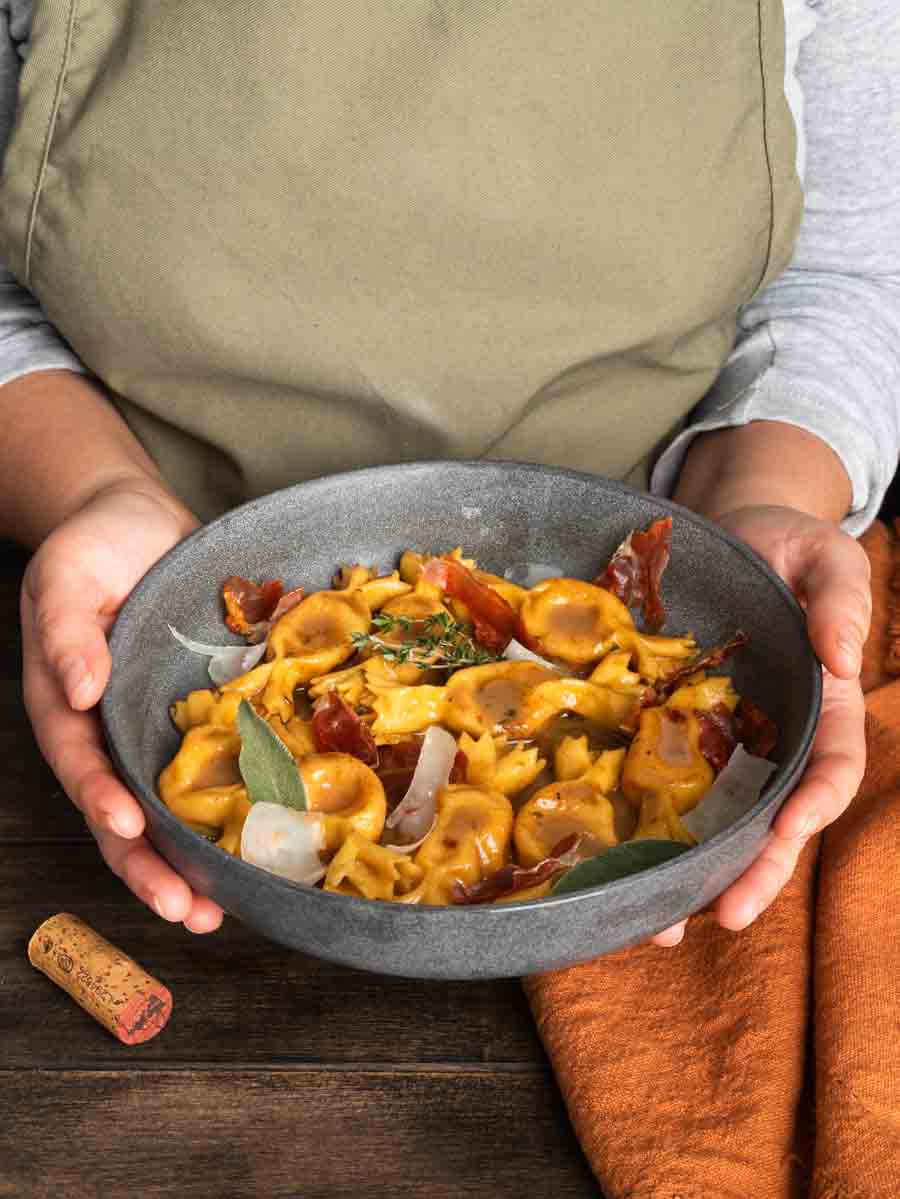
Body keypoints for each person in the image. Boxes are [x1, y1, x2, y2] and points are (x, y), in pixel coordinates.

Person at [0, 0, 895, 941]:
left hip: (641, 556)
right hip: (153, 569)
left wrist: (759, 502)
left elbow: (839, 276)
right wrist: (93, 490)